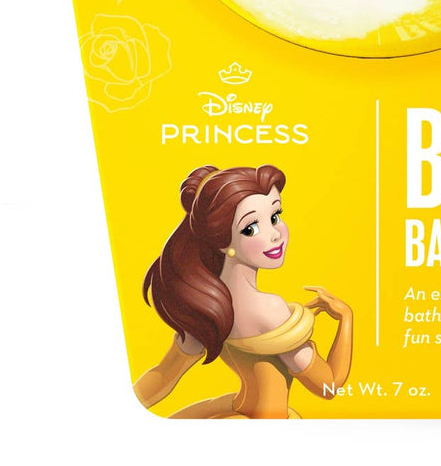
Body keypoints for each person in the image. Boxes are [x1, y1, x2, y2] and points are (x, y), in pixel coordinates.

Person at [134, 164, 353, 418]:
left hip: (236, 410)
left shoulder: (206, 305)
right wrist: (346, 317)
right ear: (221, 241)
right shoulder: (269, 309)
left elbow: (163, 376)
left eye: (275, 216)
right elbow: (328, 385)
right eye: (250, 228)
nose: (275, 235)